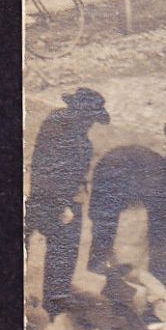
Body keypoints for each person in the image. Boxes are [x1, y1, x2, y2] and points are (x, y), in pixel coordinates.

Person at [29, 88, 110, 315]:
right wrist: (64, 205)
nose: (91, 124)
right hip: (60, 201)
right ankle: (54, 308)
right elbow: (58, 171)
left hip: (41, 194)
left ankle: (50, 305)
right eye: (90, 118)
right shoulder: (76, 141)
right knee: (63, 253)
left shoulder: (54, 121)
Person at [87, 144, 166, 287]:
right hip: (116, 171)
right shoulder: (109, 174)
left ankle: (159, 278)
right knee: (104, 224)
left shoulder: (157, 178)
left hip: (136, 171)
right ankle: (98, 271)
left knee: (159, 227)